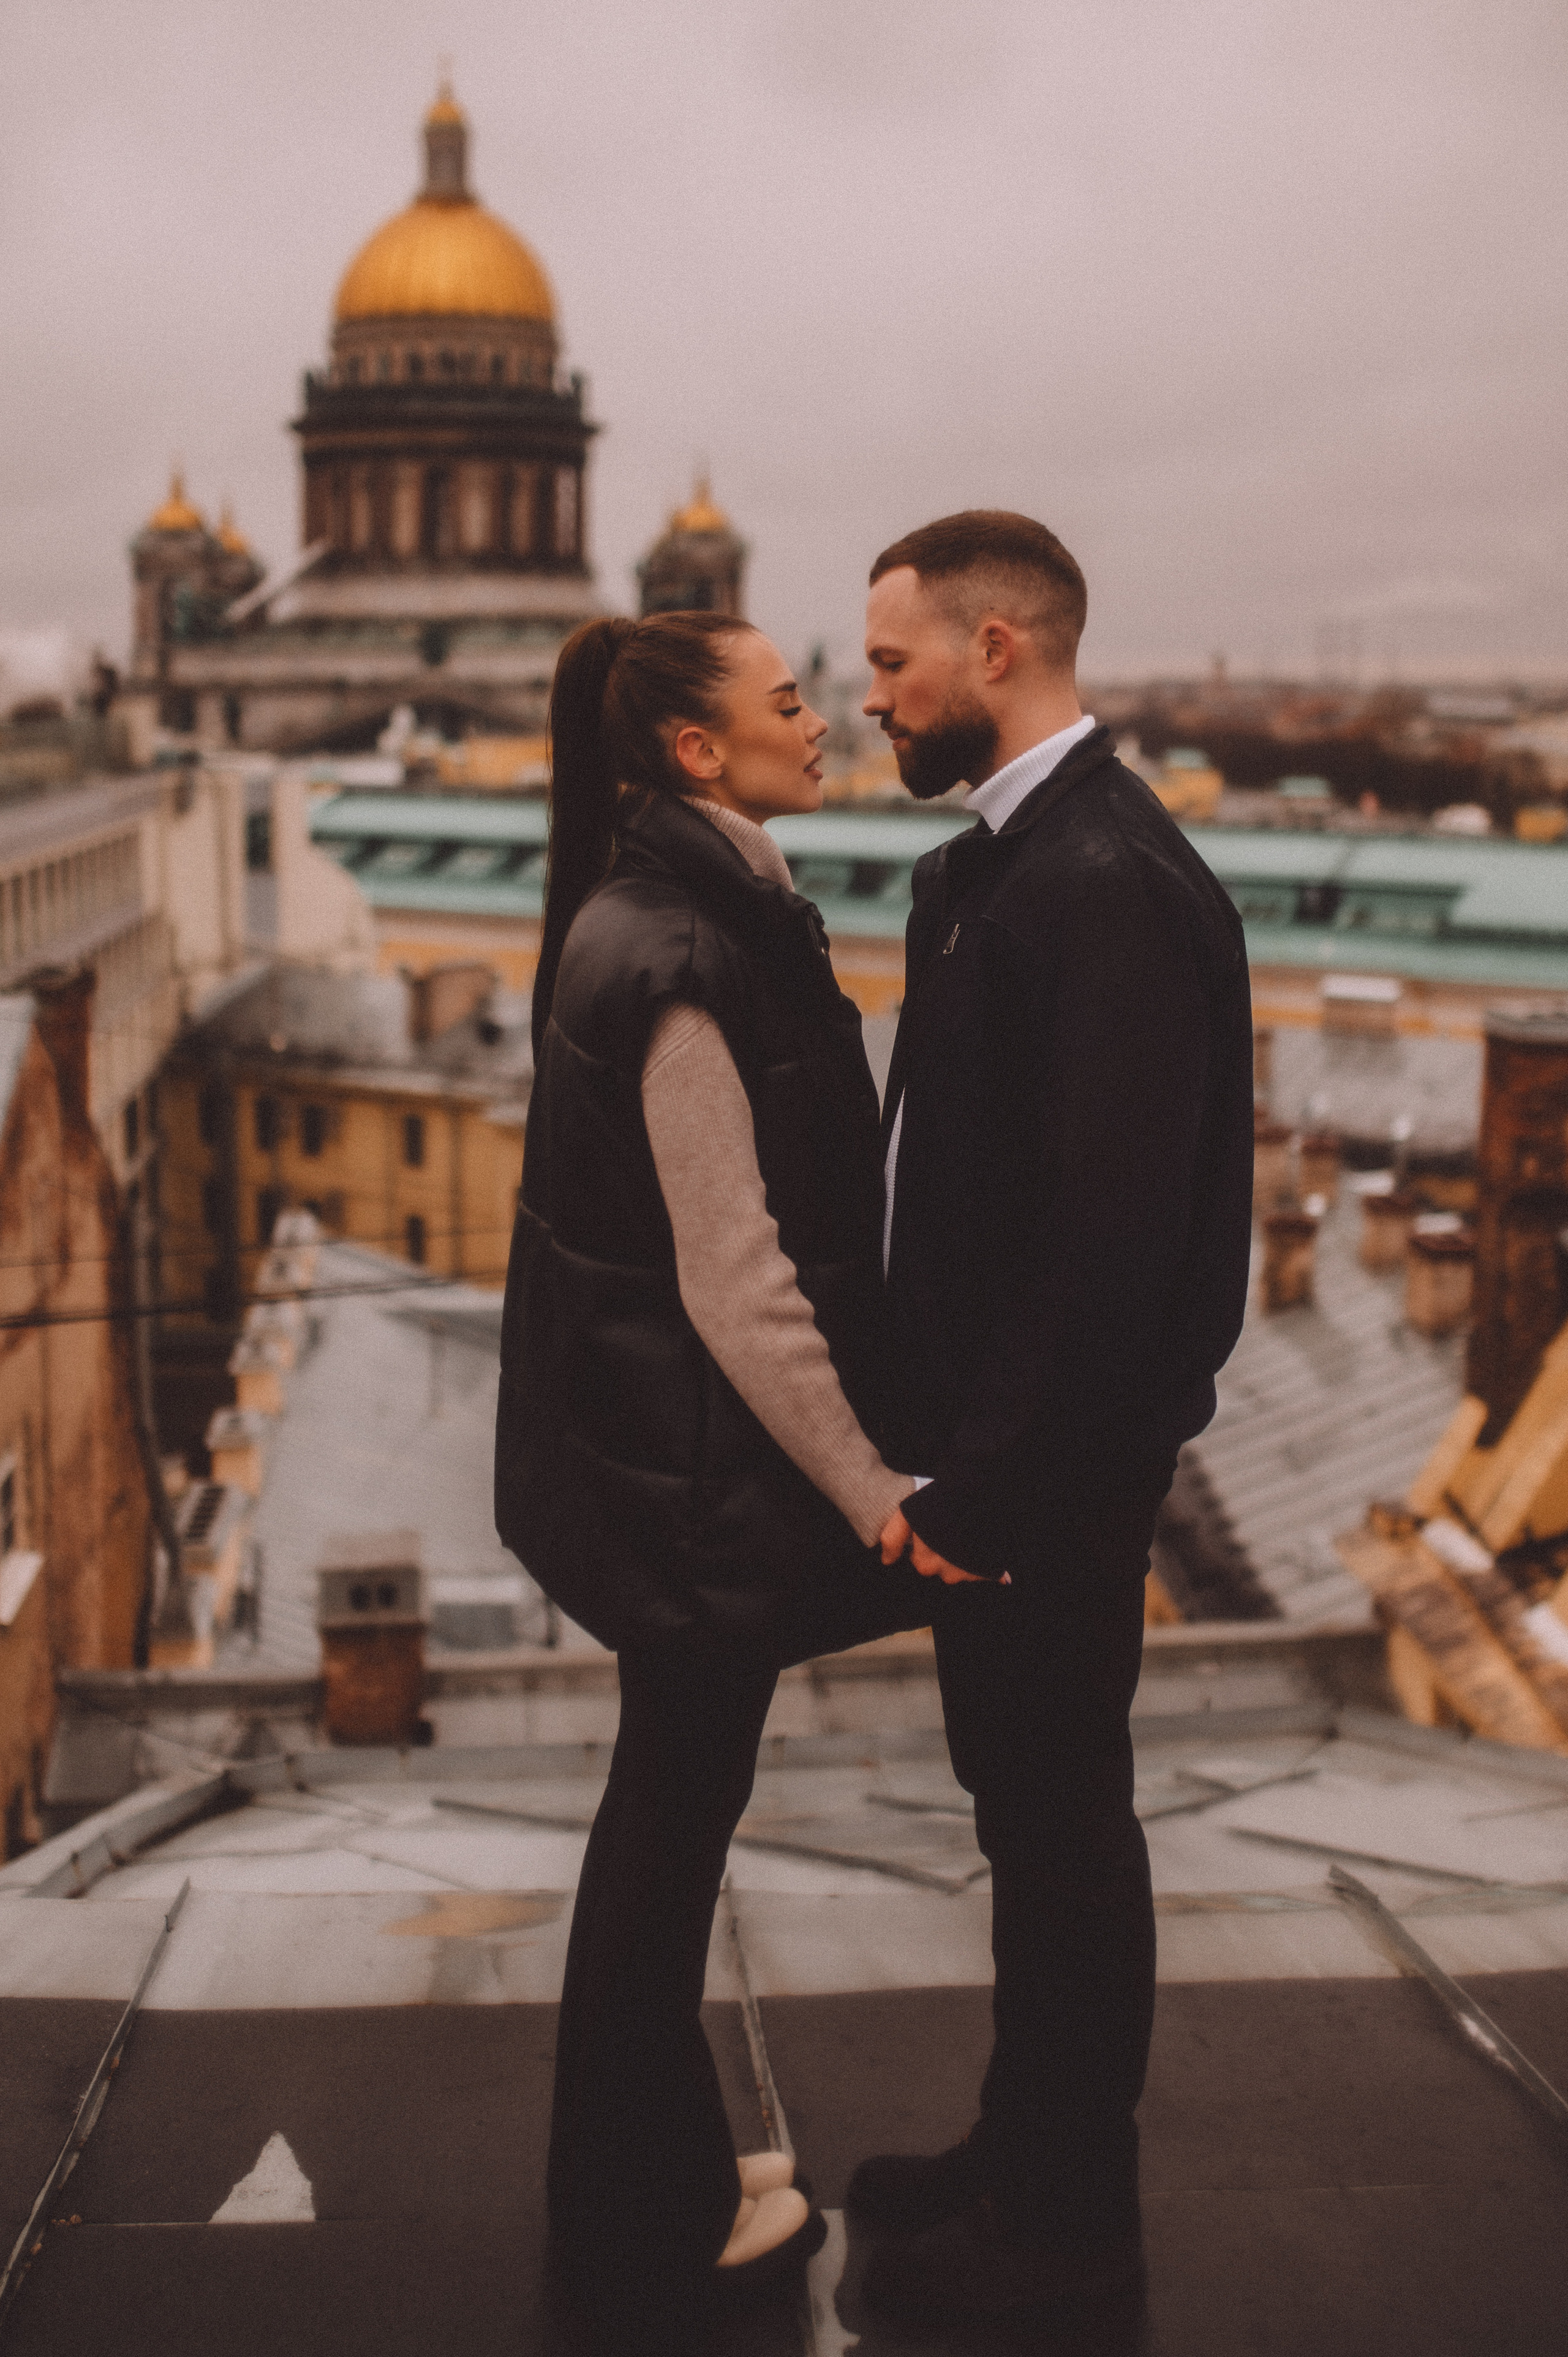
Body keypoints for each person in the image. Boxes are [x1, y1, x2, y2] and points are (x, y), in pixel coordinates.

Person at [494, 610, 931, 2348]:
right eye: (789, 697)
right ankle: (640, 2224)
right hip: (699, 1487)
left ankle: (652, 2183)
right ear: (695, 747)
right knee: (664, 1846)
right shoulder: (683, 948)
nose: (823, 717)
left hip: (657, 1475)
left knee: (661, 1835)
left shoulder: (663, 909)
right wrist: (871, 1489)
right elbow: (738, 1279)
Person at [850, 512, 1255, 2330]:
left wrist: (986, 1487)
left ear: (994, 649)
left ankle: (1071, 2221)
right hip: (1006, 1461)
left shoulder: (1101, 880)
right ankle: (1026, 2147)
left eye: (891, 662)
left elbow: (1109, 1245)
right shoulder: (1009, 870)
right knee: (1030, 1818)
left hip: (1048, 1476)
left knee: (1068, 1832)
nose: (873, 697)